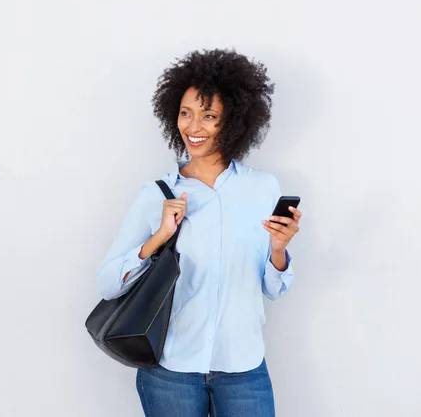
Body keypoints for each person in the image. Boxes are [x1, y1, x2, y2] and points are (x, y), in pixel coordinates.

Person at [96, 48, 301, 417]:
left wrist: (279, 250)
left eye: (209, 116)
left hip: (243, 368)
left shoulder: (262, 190)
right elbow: (109, 285)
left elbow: (274, 290)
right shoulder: (157, 193)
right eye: (186, 114)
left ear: (235, 121)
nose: (194, 127)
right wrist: (159, 236)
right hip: (170, 369)